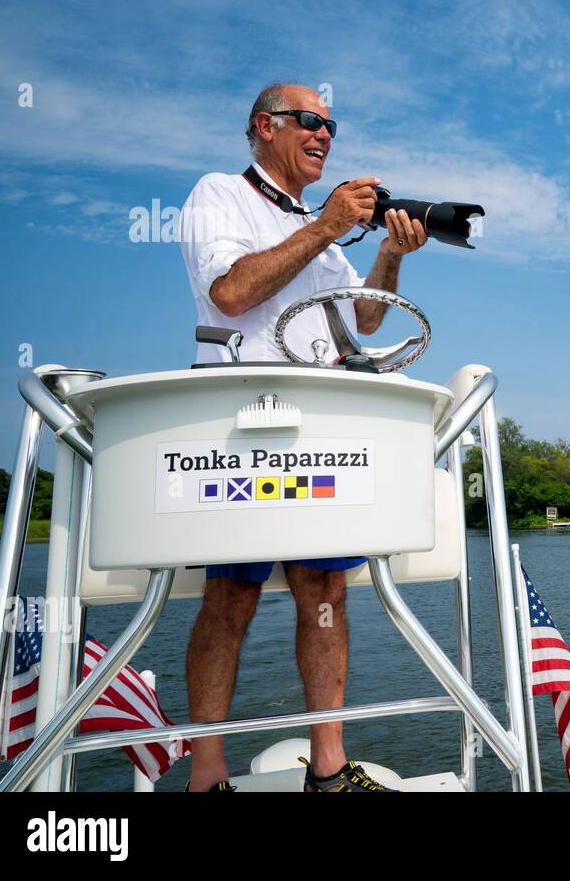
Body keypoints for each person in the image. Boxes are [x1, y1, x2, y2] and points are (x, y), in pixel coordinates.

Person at [177, 83, 429, 792]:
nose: (325, 135)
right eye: (311, 122)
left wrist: (391, 252)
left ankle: (328, 768)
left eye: (332, 126)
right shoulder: (220, 194)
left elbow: (367, 320)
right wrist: (324, 225)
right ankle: (207, 778)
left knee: (325, 588)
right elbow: (230, 293)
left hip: (320, 429)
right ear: (265, 126)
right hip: (238, 428)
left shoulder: (311, 224)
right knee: (231, 597)